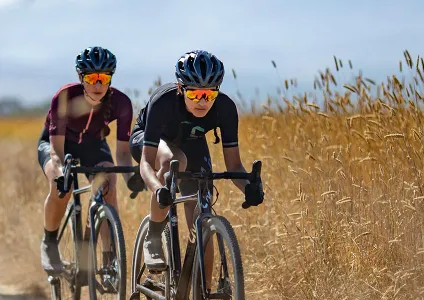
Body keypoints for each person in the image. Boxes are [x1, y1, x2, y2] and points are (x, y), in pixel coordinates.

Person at [130, 49, 264, 273]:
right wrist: (157, 189)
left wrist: (249, 187)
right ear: (181, 89)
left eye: (209, 95)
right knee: (175, 159)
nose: (202, 102)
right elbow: (145, 163)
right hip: (148, 140)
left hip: (191, 142)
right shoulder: (163, 102)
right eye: (194, 95)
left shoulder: (225, 108)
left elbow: (234, 167)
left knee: (201, 219)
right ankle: (153, 237)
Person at [38, 46, 144, 275]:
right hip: (57, 145)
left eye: (104, 78)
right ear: (81, 78)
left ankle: (108, 257)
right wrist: (60, 175)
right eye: (92, 78)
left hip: (94, 145)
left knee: (108, 185)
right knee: (61, 189)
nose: (98, 85)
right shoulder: (65, 97)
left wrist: (129, 177)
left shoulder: (121, 103)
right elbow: (56, 150)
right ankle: (49, 242)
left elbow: (123, 154)